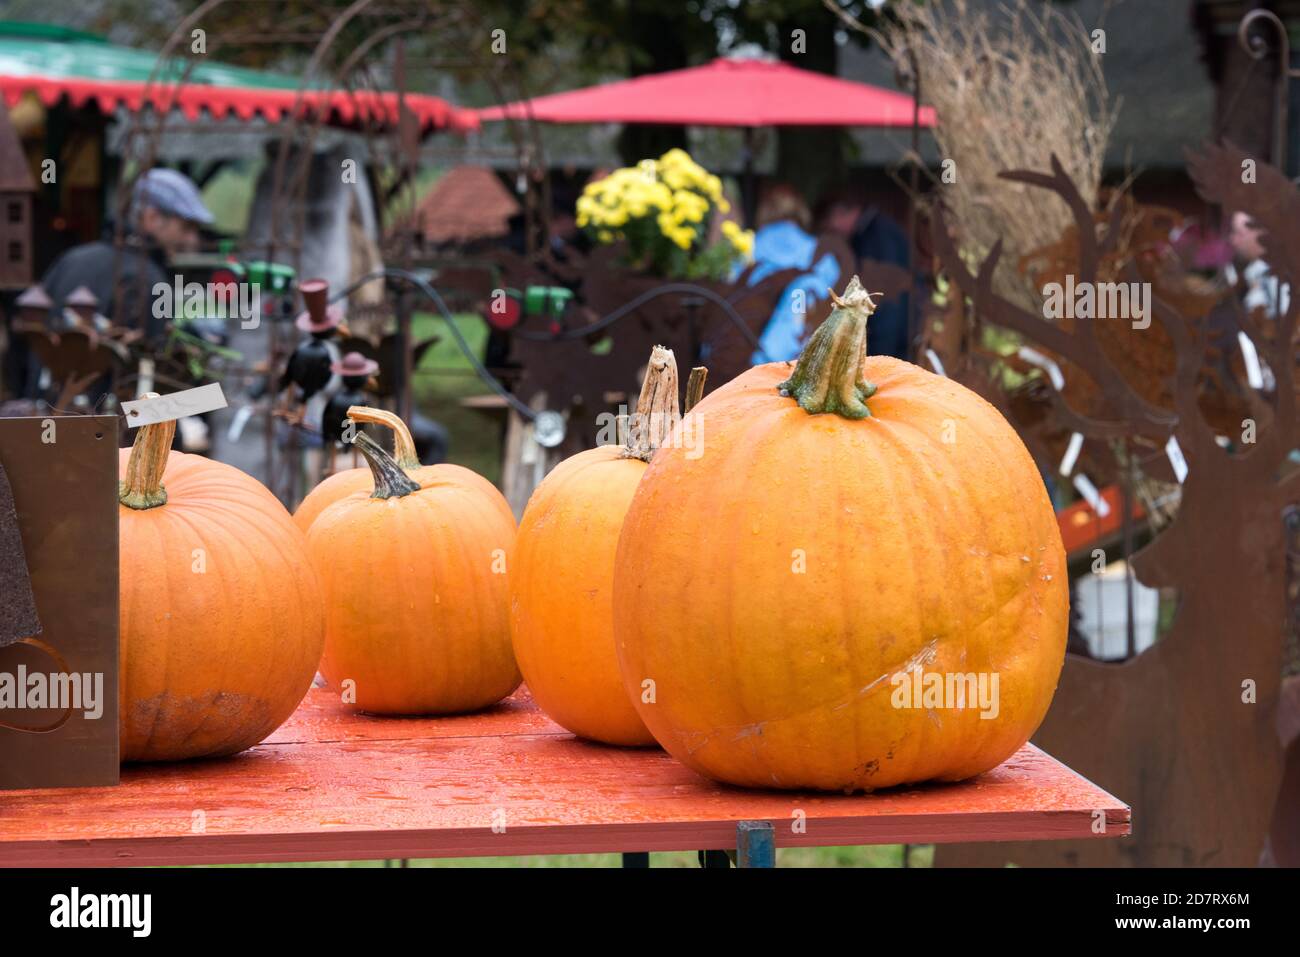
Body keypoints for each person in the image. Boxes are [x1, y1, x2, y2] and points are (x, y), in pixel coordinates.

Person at [41, 168, 213, 343]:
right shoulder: (148, 279)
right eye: (186, 227)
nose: (193, 240)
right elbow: (153, 356)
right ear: (152, 218)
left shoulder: (71, 260)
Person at [744, 183, 842, 364]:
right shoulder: (817, 252)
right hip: (804, 352)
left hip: (748, 347)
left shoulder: (747, 248)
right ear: (801, 211)